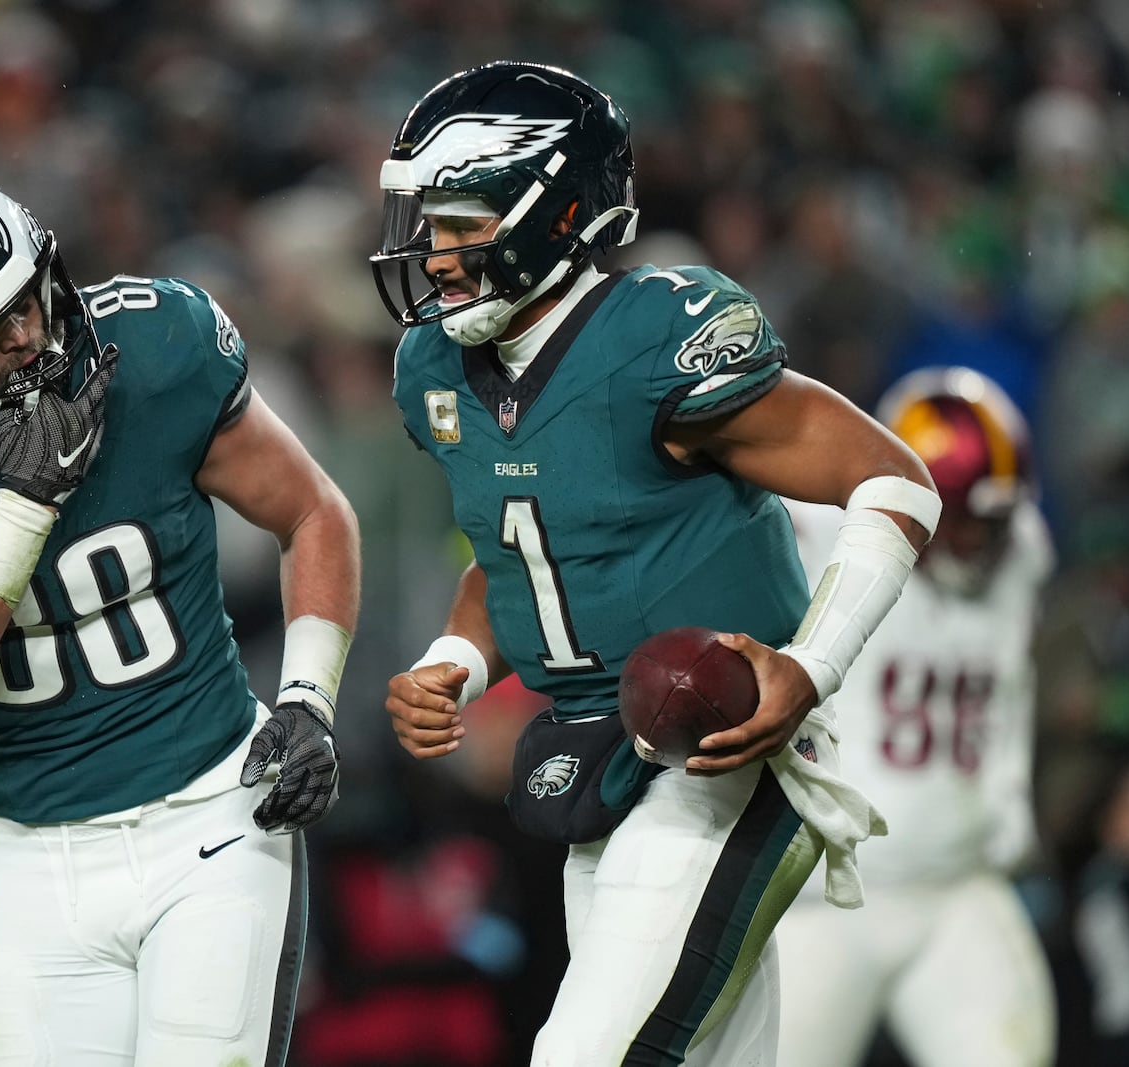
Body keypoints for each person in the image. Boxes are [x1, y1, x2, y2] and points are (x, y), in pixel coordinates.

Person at [369, 61, 941, 1066]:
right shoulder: (434, 370)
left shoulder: (653, 337)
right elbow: (516, 555)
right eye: (431, 224)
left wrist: (810, 666)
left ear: (551, 213)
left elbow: (895, 483)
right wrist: (454, 662)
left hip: (718, 760)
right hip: (590, 762)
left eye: (461, 224)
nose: (436, 254)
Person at [0, 174, 361, 1065]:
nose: (31, 331)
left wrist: (309, 697)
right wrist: (24, 503)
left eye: (29, 293)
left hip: (212, 816)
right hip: (33, 856)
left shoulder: (160, 345)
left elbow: (314, 512)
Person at [776, 366, 1059, 1067]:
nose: (976, 542)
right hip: (828, 895)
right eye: (959, 520)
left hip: (962, 884)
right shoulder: (819, 533)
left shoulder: (1023, 549)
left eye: (989, 522)